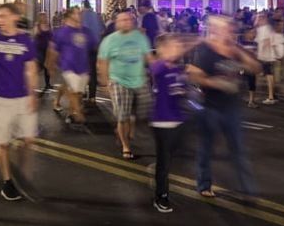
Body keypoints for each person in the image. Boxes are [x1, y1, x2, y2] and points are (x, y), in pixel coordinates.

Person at [187, 14, 260, 198]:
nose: (231, 31)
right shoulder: (204, 49)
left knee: (238, 149)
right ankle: (204, 184)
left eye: (231, 28)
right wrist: (216, 83)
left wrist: (238, 49)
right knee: (206, 148)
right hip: (210, 107)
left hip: (231, 107)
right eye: (226, 28)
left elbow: (256, 67)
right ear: (215, 29)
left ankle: (247, 189)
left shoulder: (235, 49)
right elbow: (194, 75)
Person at [0, 3, 39, 204]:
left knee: (28, 139)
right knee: (3, 143)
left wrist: (32, 94)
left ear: (16, 17)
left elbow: (31, 68)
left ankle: (22, 172)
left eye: (3, 16)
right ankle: (8, 181)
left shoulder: (25, 39)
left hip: (22, 97)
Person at [98, 11, 152, 160]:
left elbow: (148, 57)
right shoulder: (109, 40)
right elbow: (103, 62)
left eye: (129, 20)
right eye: (122, 20)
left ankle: (125, 127)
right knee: (123, 116)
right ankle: (126, 146)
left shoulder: (140, 38)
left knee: (142, 113)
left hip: (139, 80)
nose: (126, 22)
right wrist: (104, 83)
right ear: (116, 23)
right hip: (118, 80)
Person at [150, 33, 186, 213]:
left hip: (178, 121)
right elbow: (156, 67)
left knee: (173, 157)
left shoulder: (177, 69)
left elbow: (181, 90)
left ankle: (158, 174)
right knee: (164, 163)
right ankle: (161, 196)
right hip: (162, 122)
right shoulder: (160, 67)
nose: (177, 49)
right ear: (163, 49)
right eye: (173, 46)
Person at [52, 8, 91, 125]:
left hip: (83, 67)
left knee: (78, 93)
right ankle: (77, 113)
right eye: (76, 13)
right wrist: (51, 65)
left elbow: (92, 46)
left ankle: (69, 110)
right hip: (67, 66)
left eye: (79, 13)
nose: (79, 15)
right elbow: (53, 49)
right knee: (73, 91)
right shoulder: (61, 32)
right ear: (69, 16)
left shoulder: (85, 31)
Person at [255, 14, 280, 105]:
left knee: (269, 76)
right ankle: (272, 94)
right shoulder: (265, 28)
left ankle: (271, 96)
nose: (257, 20)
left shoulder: (264, 28)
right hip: (267, 56)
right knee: (269, 75)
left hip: (266, 56)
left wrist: (262, 54)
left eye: (259, 19)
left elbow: (267, 41)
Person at [33, 14, 53, 92]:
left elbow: (51, 35)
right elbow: (35, 35)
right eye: (42, 16)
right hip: (39, 49)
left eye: (45, 16)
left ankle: (47, 84)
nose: (44, 18)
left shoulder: (48, 25)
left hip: (48, 49)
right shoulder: (37, 26)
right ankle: (32, 82)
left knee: (47, 67)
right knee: (39, 65)